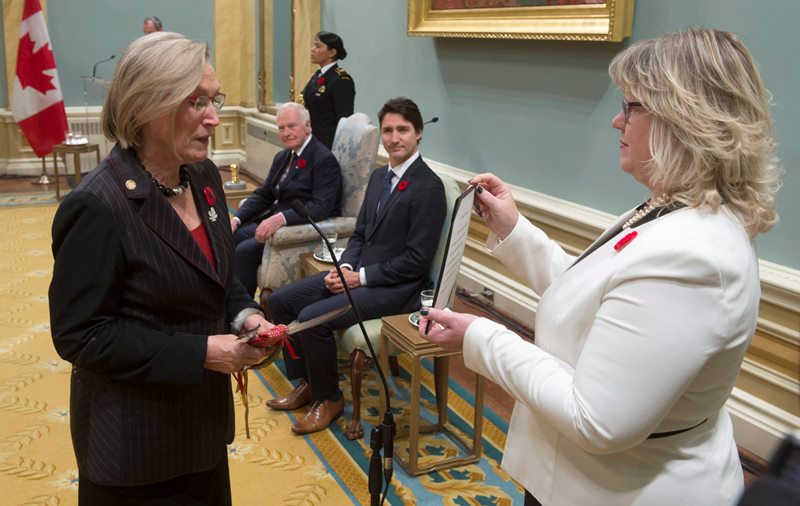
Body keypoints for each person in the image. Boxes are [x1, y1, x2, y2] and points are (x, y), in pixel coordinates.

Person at [420, 28, 781, 506]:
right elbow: (596, 299)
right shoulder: (673, 209)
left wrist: (481, 336)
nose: (616, 121)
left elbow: (596, 419)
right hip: (581, 476)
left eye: (631, 106)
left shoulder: (695, 256)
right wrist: (514, 229)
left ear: (684, 119)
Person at [49, 32, 274, 505]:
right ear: (148, 105)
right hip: (136, 453)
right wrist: (201, 354)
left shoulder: (204, 177)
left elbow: (218, 279)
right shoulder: (97, 205)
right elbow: (82, 335)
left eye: (215, 100)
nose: (214, 117)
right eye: (197, 102)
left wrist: (246, 317)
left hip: (204, 436)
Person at [267, 97, 447, 435]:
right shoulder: (380, 177)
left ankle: (329, 398)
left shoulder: (428, 187)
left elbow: (416, 261)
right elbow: (361, 232)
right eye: (388, 130)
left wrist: (359, 278)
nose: (394, 138)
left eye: (403, 130)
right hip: (360, 275)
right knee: (281, 301)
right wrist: (342, 267)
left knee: (310, 320)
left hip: (396, 289)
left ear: (419, 133)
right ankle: (306, 381)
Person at [232, 102, 342, 299]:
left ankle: (244, 309)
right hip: (271, 223)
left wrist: (281, 218)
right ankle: (224, 298)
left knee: (244, 250)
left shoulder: (323, 159)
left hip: (290, 230)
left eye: (292, 126)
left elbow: (321, 207)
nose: (286, 133)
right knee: (229, 236)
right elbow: (264, 194)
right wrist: (236, 219)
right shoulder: (283, 156)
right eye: (281, 128)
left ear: (307, 126)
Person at [300, 31, 355, 149]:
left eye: (318, 46)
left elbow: (344, 121)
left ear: (332, 52)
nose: (312, 49)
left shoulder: (341, 79)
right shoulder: (317, 75)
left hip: (327, 145)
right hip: (311, 141)